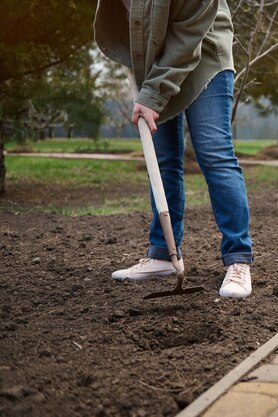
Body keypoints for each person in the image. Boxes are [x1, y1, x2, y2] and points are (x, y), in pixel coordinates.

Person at [94, 0, 253, 298]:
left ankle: (238, 260)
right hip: (154, 58)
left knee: (214, 154)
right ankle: (163, 254)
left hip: (203, 50)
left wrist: (153, 94)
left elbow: (189, 33)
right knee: (163, 158)